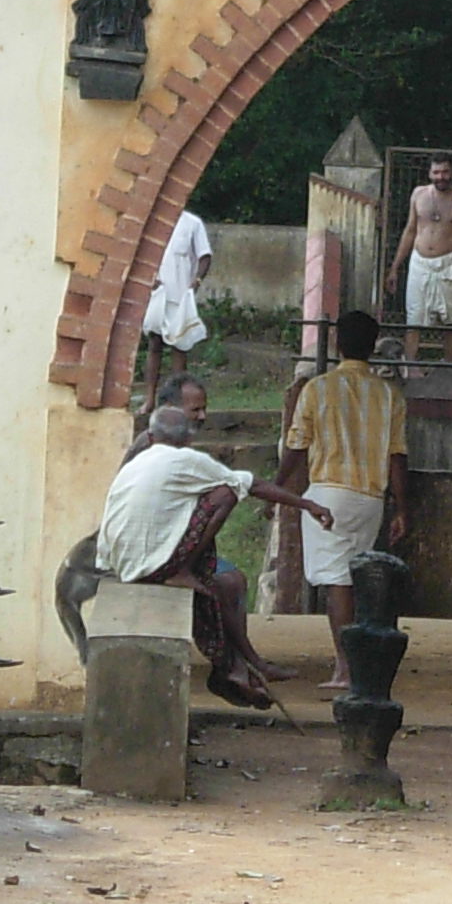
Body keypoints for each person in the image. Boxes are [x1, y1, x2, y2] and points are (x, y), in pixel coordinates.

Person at [96, 404, 330, 709]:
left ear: (151, 437)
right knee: (227, 492)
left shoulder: (135, 465)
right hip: (154, 565)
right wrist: (308, 505)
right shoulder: (184, 460)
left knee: (224, 586)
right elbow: (251, 484)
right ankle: (238, 664)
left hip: (121, 562)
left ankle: (240, 666)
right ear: (188, 439)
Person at [280, 309, 409, 691]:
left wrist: (273, 487)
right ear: (373, 346)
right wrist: (402, 508)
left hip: (328, 493)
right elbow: (398, 456)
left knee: (337, 582)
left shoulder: (317, 389)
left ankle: (345, 667)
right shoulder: (389, 395)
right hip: (371, 498)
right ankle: (358, 657)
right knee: (354, 579)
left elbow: (296, 447)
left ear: (336, 343)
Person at [387, 156, 452, 355]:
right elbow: (410, 231)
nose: (441, 177)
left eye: (445, 172)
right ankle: (410, 369)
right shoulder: (418, 194)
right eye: (436, 172)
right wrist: (395, 267)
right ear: (430, 173)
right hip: (419, 264)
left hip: (449, 265)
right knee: (414, 318)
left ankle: (448, 371)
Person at [140, 209, 213, 402]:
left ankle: (177, 402)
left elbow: (205, 256)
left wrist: (196, 281)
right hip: (157, 293)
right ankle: (149, 400)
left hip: (180, 296)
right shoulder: (154, 220)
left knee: (179, 346)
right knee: (154, 343)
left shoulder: (192, 223)